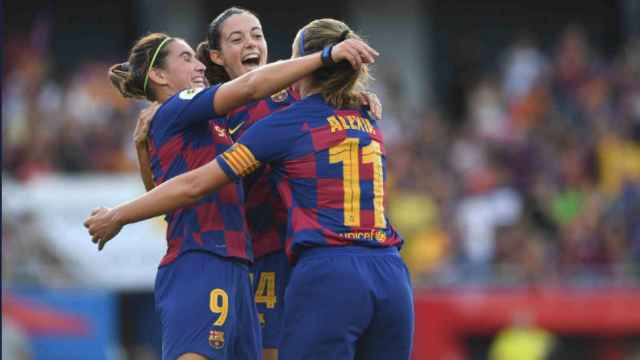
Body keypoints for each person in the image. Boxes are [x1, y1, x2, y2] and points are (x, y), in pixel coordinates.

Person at [85, 19, 410, 359]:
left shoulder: (287, 104)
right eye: (236, 39)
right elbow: (185, 187)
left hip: (282, 257)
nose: (251, 44)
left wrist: (342, 91)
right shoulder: (212, 109)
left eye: (257, 35)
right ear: (218, 56)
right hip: (259, 256)